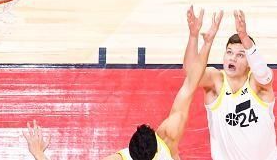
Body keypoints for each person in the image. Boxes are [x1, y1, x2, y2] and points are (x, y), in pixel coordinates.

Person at [23, 9, 223, 160]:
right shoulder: (168, 138)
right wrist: (202, 40)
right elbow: (190, 83)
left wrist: (38, 152)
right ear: (157, 141)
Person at [183, 7, 277, 160]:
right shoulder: (216, 82)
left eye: (240, 55)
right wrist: (194, 36)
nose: (232, 58)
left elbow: (264, 75)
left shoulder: (257, 84)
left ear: (250, 63)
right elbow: (191, 75)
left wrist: (244, 37)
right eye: (229, 52)